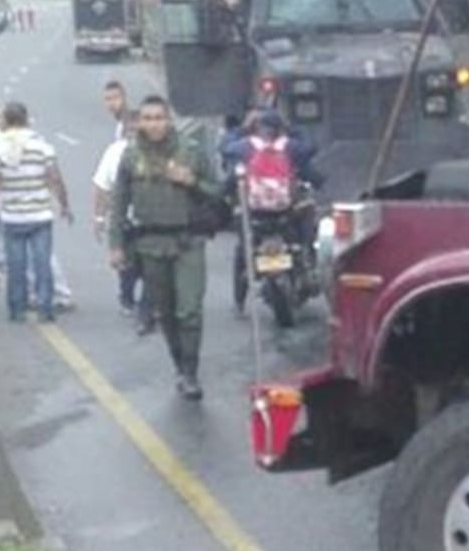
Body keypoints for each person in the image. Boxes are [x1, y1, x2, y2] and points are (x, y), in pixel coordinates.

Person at [109, 95, 221, 400]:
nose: (154, 124)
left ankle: (191, 372)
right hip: (150, 244)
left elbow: (217, 192)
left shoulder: (191, 151)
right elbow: (119, 204)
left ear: (169, 120)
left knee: (189, 311)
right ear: (139, 123)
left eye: (159, 118)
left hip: (188, 242)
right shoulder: (131, 156)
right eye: (147, 118)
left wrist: (191, 181)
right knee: (167, 313)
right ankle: (179, 365)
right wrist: (116, 245)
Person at [223, 108, 321, 312]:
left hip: (255, 213)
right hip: (286, 212)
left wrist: (242, 129)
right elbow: (311, 148)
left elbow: (225, 149)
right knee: (306, 230)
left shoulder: (244, 147)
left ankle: (240, 296)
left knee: (243, 246)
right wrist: (292, 129)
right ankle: (307, 265)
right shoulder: (291, 147)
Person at [0, 102, 71, 323]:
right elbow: (55, 179)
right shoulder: (42, 147)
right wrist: (64, 205)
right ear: (25, 119)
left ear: (6, 121)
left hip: (12, 216)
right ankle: (45, 308)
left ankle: (17, 309)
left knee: (16, 265)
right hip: (40, 214)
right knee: (42, 263)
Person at [92, 110, 154, 333]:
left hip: (152, 220)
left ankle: (147, 309)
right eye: (132, 129)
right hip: (126, 220)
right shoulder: (115, 152)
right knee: (128, 265)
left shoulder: (158, 152)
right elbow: (101, 185)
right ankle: (127, 297)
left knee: (153, 266)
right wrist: (99, 217)